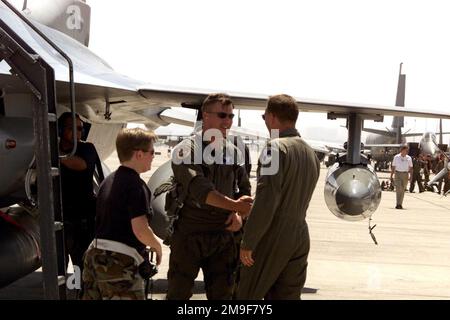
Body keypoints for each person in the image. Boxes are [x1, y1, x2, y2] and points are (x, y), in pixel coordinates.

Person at [166, 93, 252, 300]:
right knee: (179, 294)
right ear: (205, 116)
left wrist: (239, 216)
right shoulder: (186, 150)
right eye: (222, 115)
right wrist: (235, 206)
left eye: (231, 116)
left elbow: (244, 190)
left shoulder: (234, 152)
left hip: (223, 236)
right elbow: (201, 190)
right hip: (190, 234)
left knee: (223, 296)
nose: (228, 121)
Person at [235, 94, 320, 300]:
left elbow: (268, 199)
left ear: (272, 117)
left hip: (272, 234)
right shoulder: (310, 152)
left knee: (246, 296)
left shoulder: (274, 148)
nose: (265, 122)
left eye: (264, 117)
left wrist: (249, 241)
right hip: (299, 235)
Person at [82, 128, 162, 300]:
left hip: (95, 256)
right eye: (152, 152)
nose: (153, 156)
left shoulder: (108, 181)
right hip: (117, 262)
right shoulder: (136, 186)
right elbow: (140, 229)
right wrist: (157, 246)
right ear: (139, 154)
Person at [58, 112, 103, 273]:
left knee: (83, 268)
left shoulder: (87, 148)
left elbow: (81, 165)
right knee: (58, 269)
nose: (78, 132)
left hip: (82, 223)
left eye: (80, 128)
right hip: (59, 221)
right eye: (72, 128)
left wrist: (52, 155)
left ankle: (81, 294)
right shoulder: (53, 150)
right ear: (60, 130)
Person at [390, 145, 413, 209]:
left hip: (405, 174)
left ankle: (400, 204)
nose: (407, 152)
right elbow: (393, 167)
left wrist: (411, 177)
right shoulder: (396, 157)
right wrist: (391, 176)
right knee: (398, 188)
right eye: (406, 150)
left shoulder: (409, 158)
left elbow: (411, 168)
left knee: (403, 189)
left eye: (407, 150)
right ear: (402, 150)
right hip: (397, 174)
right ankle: (398, 204)